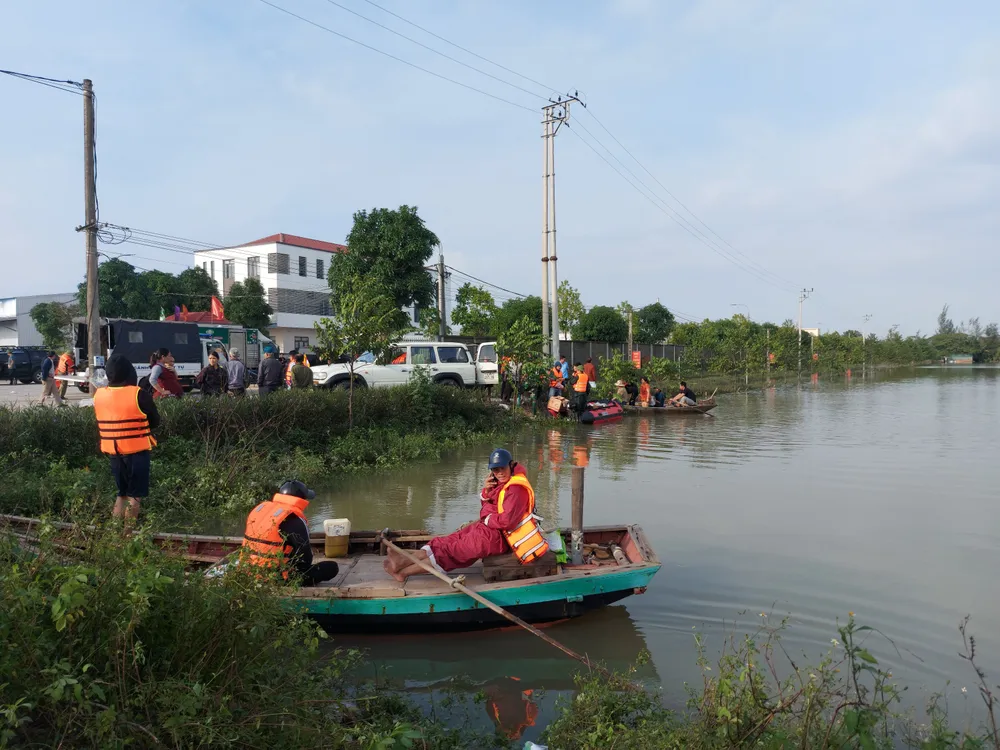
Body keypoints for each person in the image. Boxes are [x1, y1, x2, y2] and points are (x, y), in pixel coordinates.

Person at [384, 449, 548, 581]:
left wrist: (487, 517)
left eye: (502, 468)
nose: (499, 473)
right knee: (446, 541)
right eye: (495, 470)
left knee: (453, 551)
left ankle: (404, 572)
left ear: (511, 465)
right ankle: (402, 561)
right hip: (489, 529)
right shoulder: (504, 483)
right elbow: (489, 507)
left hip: (501, 538)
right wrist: (486, 491)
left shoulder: (516, 489)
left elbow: (506, 521)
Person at [93, 354, 160, 521]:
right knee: (134, 496)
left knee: (121, 494)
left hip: (114, 452)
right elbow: (155, 420)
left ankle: (115, 534)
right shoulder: (138, 394)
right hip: (136, 451)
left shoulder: (99, 395)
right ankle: (128, 536)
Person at [241, 480, 340, 586]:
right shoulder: (294, 519)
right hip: (276, 577)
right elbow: (305, 559)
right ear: (301, 499)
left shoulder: (260, 510)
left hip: (248, 570)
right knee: (332, 567)